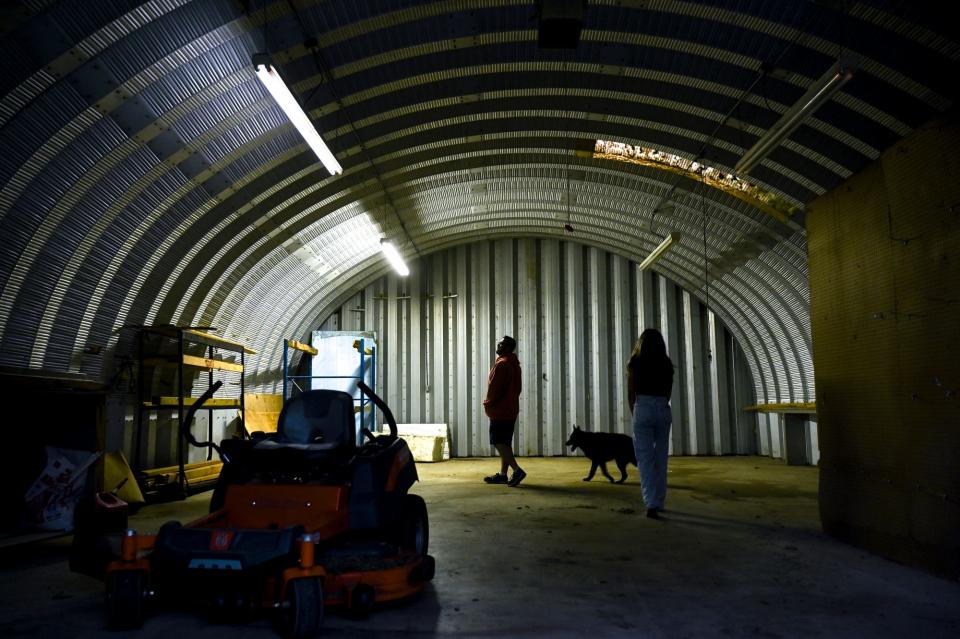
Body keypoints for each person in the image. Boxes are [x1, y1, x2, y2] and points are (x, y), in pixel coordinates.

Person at [627, 328, 674, 519]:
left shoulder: (635, 364)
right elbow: (669, 392)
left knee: (645, 459)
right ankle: (660, 501)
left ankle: (651, 504)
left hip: (643, 407)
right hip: (662, 407)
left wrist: (635, 413)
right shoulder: (666, 364)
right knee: (661, 458)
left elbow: (631, 393)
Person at [482, 335, 526, 487]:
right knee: (505, 443)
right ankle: (503, 475)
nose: (498, 346)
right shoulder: (515, 365)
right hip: (511, 409)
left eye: (501, 344)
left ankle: (517, 470)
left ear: (507, 347)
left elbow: (494, 389)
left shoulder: (502, 364)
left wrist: (488, 402)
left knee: (498, 442)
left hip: (500, 410)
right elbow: (518, 389)